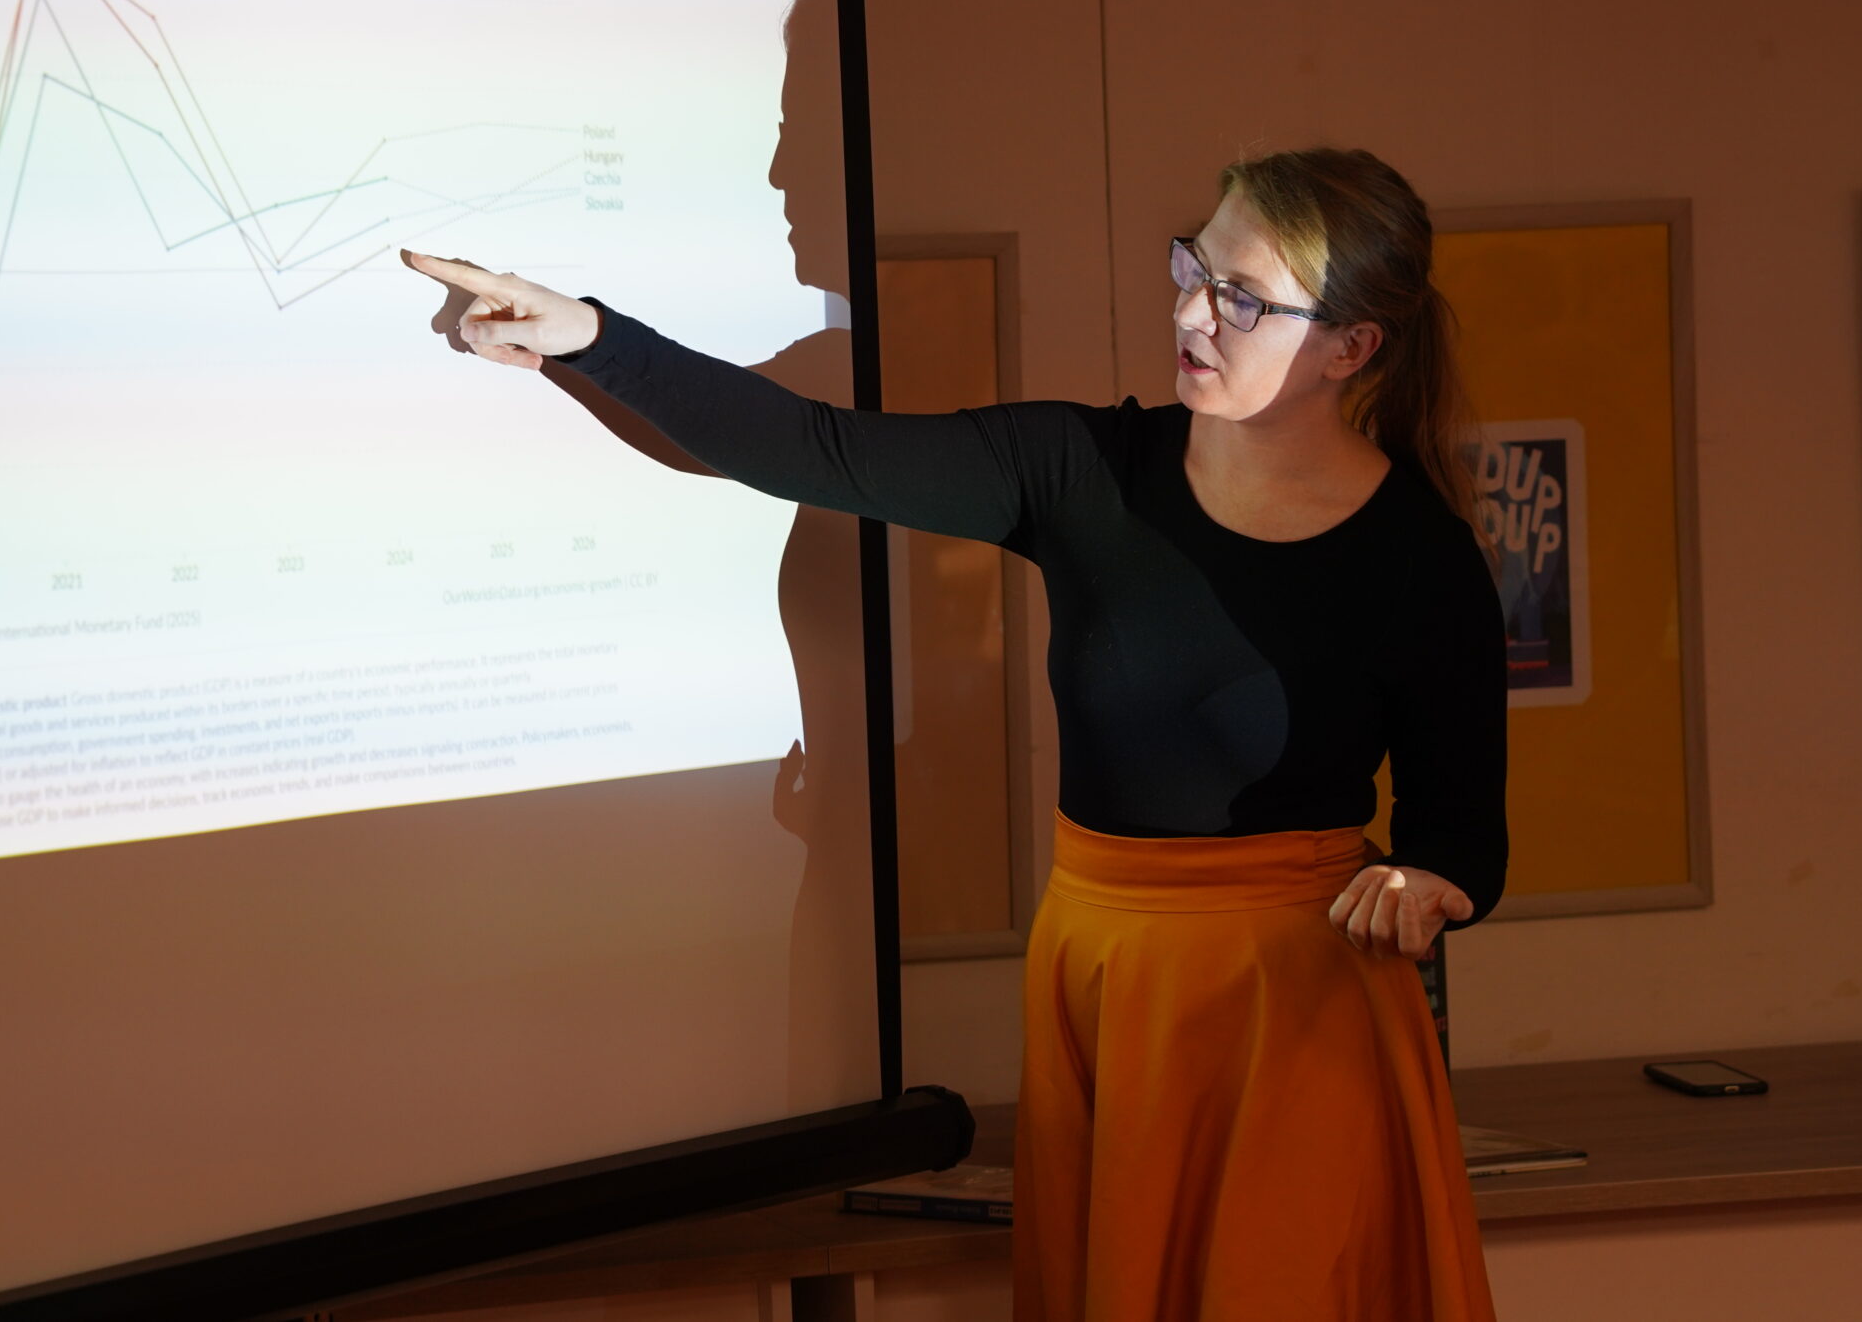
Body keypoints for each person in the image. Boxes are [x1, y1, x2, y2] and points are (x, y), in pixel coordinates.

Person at [404, 142, 1506, 1321]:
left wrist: (1425, 881)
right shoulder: (1082, 467)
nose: (1192, 311)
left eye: (1242, 298)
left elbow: (1460, 833)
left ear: (1351, 347)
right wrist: (589, 337)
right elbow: (813, 448)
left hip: (1296, 1012)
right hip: (1101, 967)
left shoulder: (1418, 557)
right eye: (1194, 267)